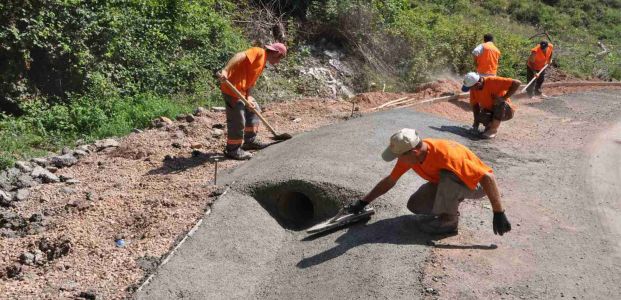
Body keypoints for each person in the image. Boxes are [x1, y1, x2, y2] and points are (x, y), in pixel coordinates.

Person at [345, 128, 512, 235]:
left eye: (400, 156)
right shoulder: (409, 156)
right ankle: (449, 206)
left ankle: (449, 220)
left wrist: (499, 212)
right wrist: (362, 202)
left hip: (477, 185)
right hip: (448, 182)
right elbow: (390, 180)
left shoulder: (447, 156)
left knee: (448, 178)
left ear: (415, 151)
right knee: (416, 205)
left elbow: (488, 177)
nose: (399, 160)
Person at [217, 43, 287, 160]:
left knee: (254, 110)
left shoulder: (263, 62)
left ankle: (250, 141)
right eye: (280, 58)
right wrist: (225, 71)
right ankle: (233, 149)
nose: (278, 62)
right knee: (238, 120)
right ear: (276, 53)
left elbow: (251, 82)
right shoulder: (259, 52)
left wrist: (249, 97)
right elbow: (240, 55)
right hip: (232, 90)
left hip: (243, 92)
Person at [461, 72, 521, 139]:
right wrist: (475, 125)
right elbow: (475, 106)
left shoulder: (493, 81)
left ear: (478, 84)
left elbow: (517, 83)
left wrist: (504, 98)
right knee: (481, 117)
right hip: (491, 111)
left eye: (471, 88)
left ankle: (493, 130)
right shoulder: (474, 89)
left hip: (506, 111)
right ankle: (489, 127)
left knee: (500, 103)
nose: (471, 90)